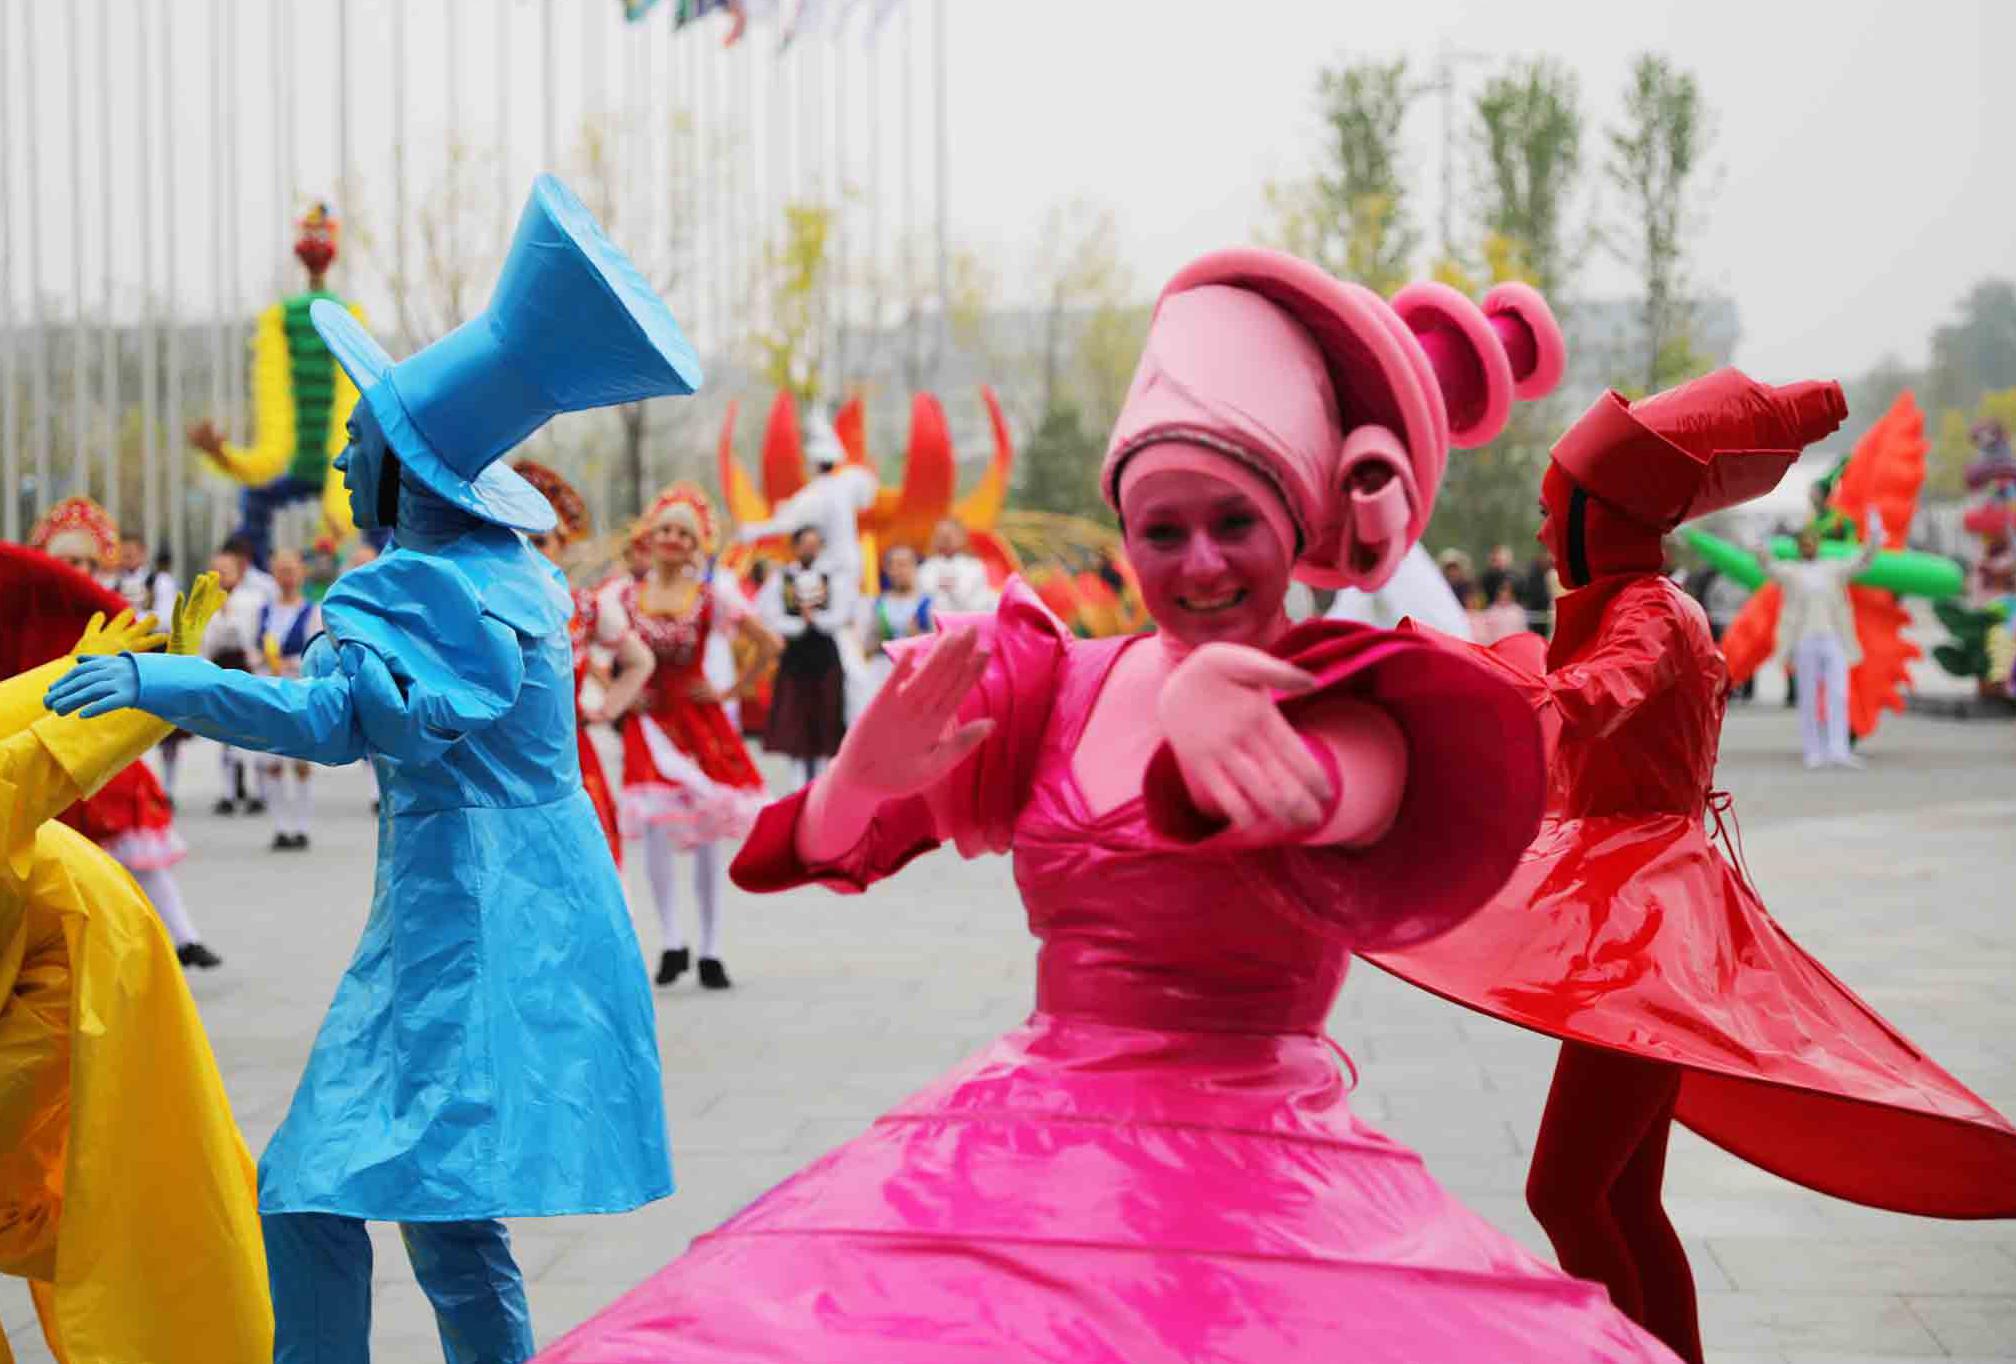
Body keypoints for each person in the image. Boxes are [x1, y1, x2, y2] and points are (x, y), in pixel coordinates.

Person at [537, 251, 1684, 1364]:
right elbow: (800, 851)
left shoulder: (1352, 693)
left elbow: (1347, 792)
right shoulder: (1049, 684)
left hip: (1264, 1184)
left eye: (1233, 520)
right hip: (1030, 1152)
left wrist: (1256, 747)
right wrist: (859, 780)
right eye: (1161, 529)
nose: (1199, 561)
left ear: (1297, 521)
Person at [48, 172, 688, 1362]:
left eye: (358, 439)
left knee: (313, 1189)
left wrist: (160, 681)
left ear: (407, 465)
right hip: (512, 901)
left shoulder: (421, 587)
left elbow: (330, 719)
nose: (342, 457)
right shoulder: (512, 577)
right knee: (443, 1210)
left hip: (459, 920)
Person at [1365, 369, 2016, 1363]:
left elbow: (1595, 693)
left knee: (1565, 1191)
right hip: (1641, 919)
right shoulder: (1638, 604)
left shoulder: (1652, 613)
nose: (1541, 532)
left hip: (1649, 932)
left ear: (1597, 518)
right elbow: (1568, 685)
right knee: (1621, 1195)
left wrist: (1482, 685)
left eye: (1551, 511)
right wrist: (1468, 671)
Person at [1, 564, 272, 1363]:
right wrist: (80, 670)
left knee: (45, 1196)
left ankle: (182, 1270)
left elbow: (45, 752)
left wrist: (151, 686)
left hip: (67, 953)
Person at [27, 499, 219, 967]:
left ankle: (182, 937)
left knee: (132, 845)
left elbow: (143, 669)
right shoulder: (26, 614)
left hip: (104, 745)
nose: (76, 570)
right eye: (67, 561)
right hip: (46, 749)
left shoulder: (110, 612)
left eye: (84, 562)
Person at [603, 484, 779, 990]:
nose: (673, 539)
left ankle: (711, 948)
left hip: (699, 723)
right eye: (666, 530)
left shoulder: (711, 597)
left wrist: (730, 690)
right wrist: (620, 690)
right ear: (649, 536)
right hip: (649, 724)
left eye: (684, 533)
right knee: (656, 829)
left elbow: (769, 643)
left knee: (706, 833)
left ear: (697, 544)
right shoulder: (621, 596)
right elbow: (586, 641)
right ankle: (672, 941)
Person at [517, 459, 656, 869]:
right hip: (503, 759)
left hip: (570, 755)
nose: (529, 553)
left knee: (585, 862)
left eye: (540, 542)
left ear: (562, 546)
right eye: (518, 542)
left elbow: (639, 661)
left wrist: (607, 709)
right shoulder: (483, 603)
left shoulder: (585, 606)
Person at [1768, 521, 1881, 769]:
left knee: (1838, 694)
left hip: (1833, 638)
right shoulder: (1792, 571)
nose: (1809, 546)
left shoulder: (1832, 569)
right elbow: (1768, 566)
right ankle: (1813, 751)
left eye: (1812, 542)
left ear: (1818, 544)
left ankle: (1838, 750)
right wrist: (1759, 547)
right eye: (1804, 543)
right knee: (1808, 696)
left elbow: (1863, 561)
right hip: (1804, 639)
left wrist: (1874, 537)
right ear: (1799, 547)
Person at [759, 525, 851, 787]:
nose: (810, 550)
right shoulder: (782, 578)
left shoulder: (833, 577)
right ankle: (797, 784)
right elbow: (770, 615)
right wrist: (800, 623)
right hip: (795, 657)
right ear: (795, 547)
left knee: (826, 719)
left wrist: (817, 619)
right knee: (794, 719)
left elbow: (842, 614)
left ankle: (824, 783)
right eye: (805, 544)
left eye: (815, 544)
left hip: (824, 655)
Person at [254, 549, 323, 850]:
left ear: (302, 574)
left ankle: (302, 826)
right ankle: (281, 826)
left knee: (302, 761)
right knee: (271, 761)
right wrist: (263, 660)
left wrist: (290, 663)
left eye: (291, 570)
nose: (287, 577)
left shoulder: (313, 611)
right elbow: (251, 647)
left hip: (298, 688)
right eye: (281, 571)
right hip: (269, 687)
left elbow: (318, 650)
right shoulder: (264, 611)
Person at [855, 543, 934, 712]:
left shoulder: (929, 603)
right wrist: (880, 640)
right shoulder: (878, 604)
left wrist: (919, 637)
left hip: (917, 672)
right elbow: (866, 646)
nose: (899, 570)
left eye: (904, 564)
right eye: (893, 565)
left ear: (915, 567)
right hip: (884, 672)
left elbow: (939, 644)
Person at [916, 515, 996, 613]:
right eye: (941, 535)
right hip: (937, 619)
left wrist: (949, 587)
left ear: (962, 538)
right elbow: (926, 594)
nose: (945, 539)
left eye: (950, 534)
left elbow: (968, 596)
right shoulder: (927, 567)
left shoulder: (974, 566)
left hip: (969, 617)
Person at [115, 533, 179, 623]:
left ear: (143, 553)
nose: (127, 556)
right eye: (123, 553)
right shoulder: (113, 584)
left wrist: (131, 619)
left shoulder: (162, 581)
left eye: (131, 553)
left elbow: (167, 618)